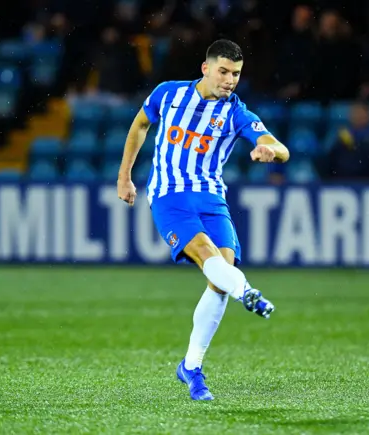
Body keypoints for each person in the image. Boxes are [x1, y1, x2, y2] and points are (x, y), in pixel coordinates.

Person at [117, 39, 290, 400]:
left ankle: (191, 368)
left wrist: (268, 150)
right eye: (224, 71)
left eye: (237, 74)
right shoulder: (168, 94)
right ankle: (248, 292)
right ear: (205, 68)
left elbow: (282, 148)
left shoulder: (237, 112)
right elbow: (140, 125)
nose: (230, 80)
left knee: (219, 276)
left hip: (212, 198)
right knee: (208, 256)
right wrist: (125, 176)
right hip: (169, 195)